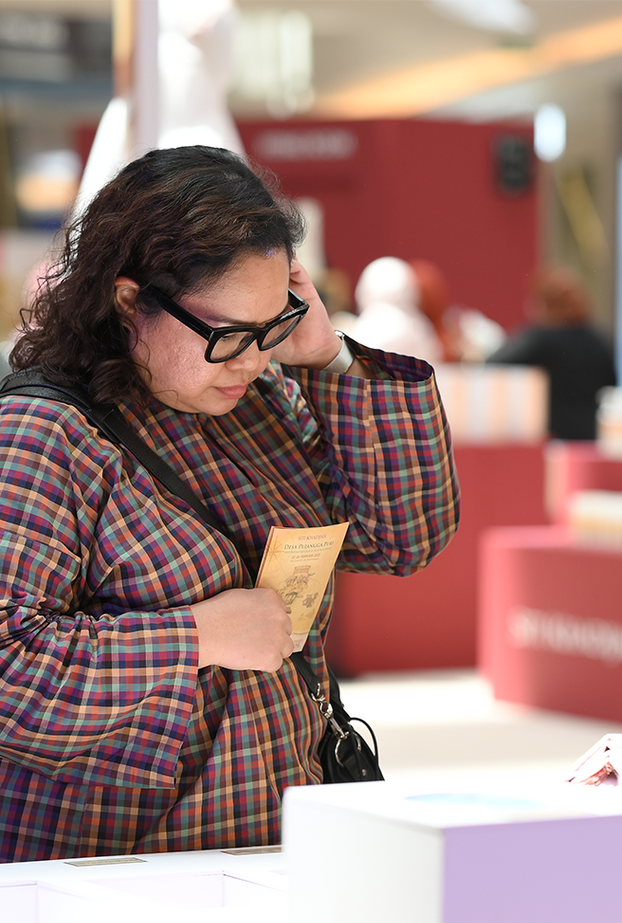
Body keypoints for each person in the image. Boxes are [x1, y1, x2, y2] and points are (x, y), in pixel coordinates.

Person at [0, 146, 459, 862]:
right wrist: (197, 637)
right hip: (118, 867)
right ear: (129, 301)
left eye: (271, 327)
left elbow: (405, 537)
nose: (252, 359)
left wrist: (328, 357)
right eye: (228, 335)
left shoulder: (263, 402)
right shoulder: (43, 435)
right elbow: (11, 671)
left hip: (278, 836)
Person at [487, 265, 616, 440]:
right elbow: (612, 383)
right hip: (590, 436)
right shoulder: (598, 339)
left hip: (552, 437)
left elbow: (494, 363)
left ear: (543, 303)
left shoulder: (541, 338)